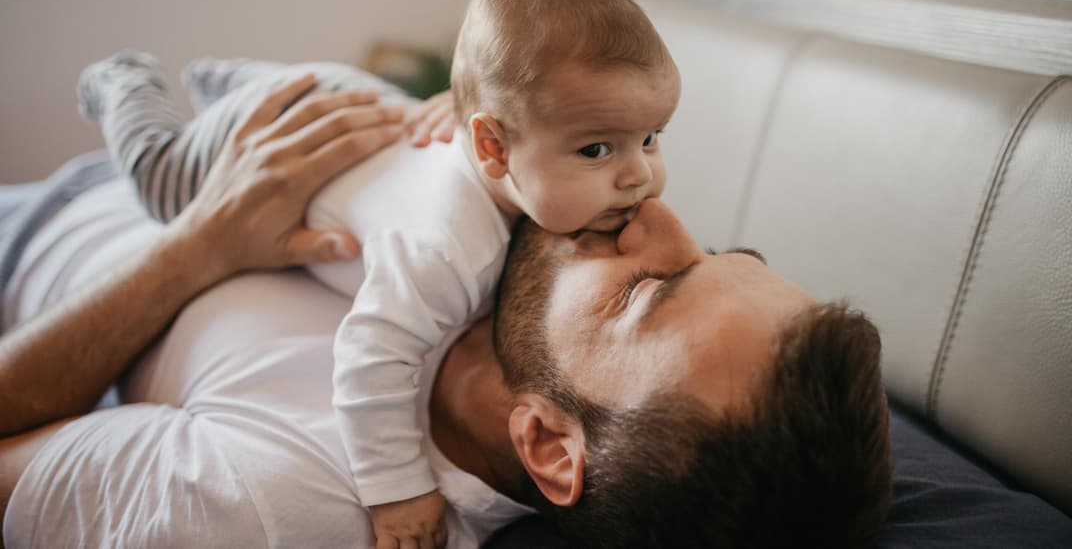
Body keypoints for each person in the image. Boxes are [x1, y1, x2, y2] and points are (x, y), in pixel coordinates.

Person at [0, 81, 893, 548]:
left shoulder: (277, 500)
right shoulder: (518, 240)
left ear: (546, 443)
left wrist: (198, 247)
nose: (656, 213)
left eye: (652, 290)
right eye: (725, 254)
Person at [75, 0, 680, 547]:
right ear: (492, 148)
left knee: (297, 89)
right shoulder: (444, 251)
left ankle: (220, 76)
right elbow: (370, 358)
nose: (639, 178)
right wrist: (397, 488)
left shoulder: (508, 160)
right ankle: (126, 80)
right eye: (598, 150)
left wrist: (462, 100)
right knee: (162, 182)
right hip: (273, 133)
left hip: (350, 100)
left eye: (649, 138)